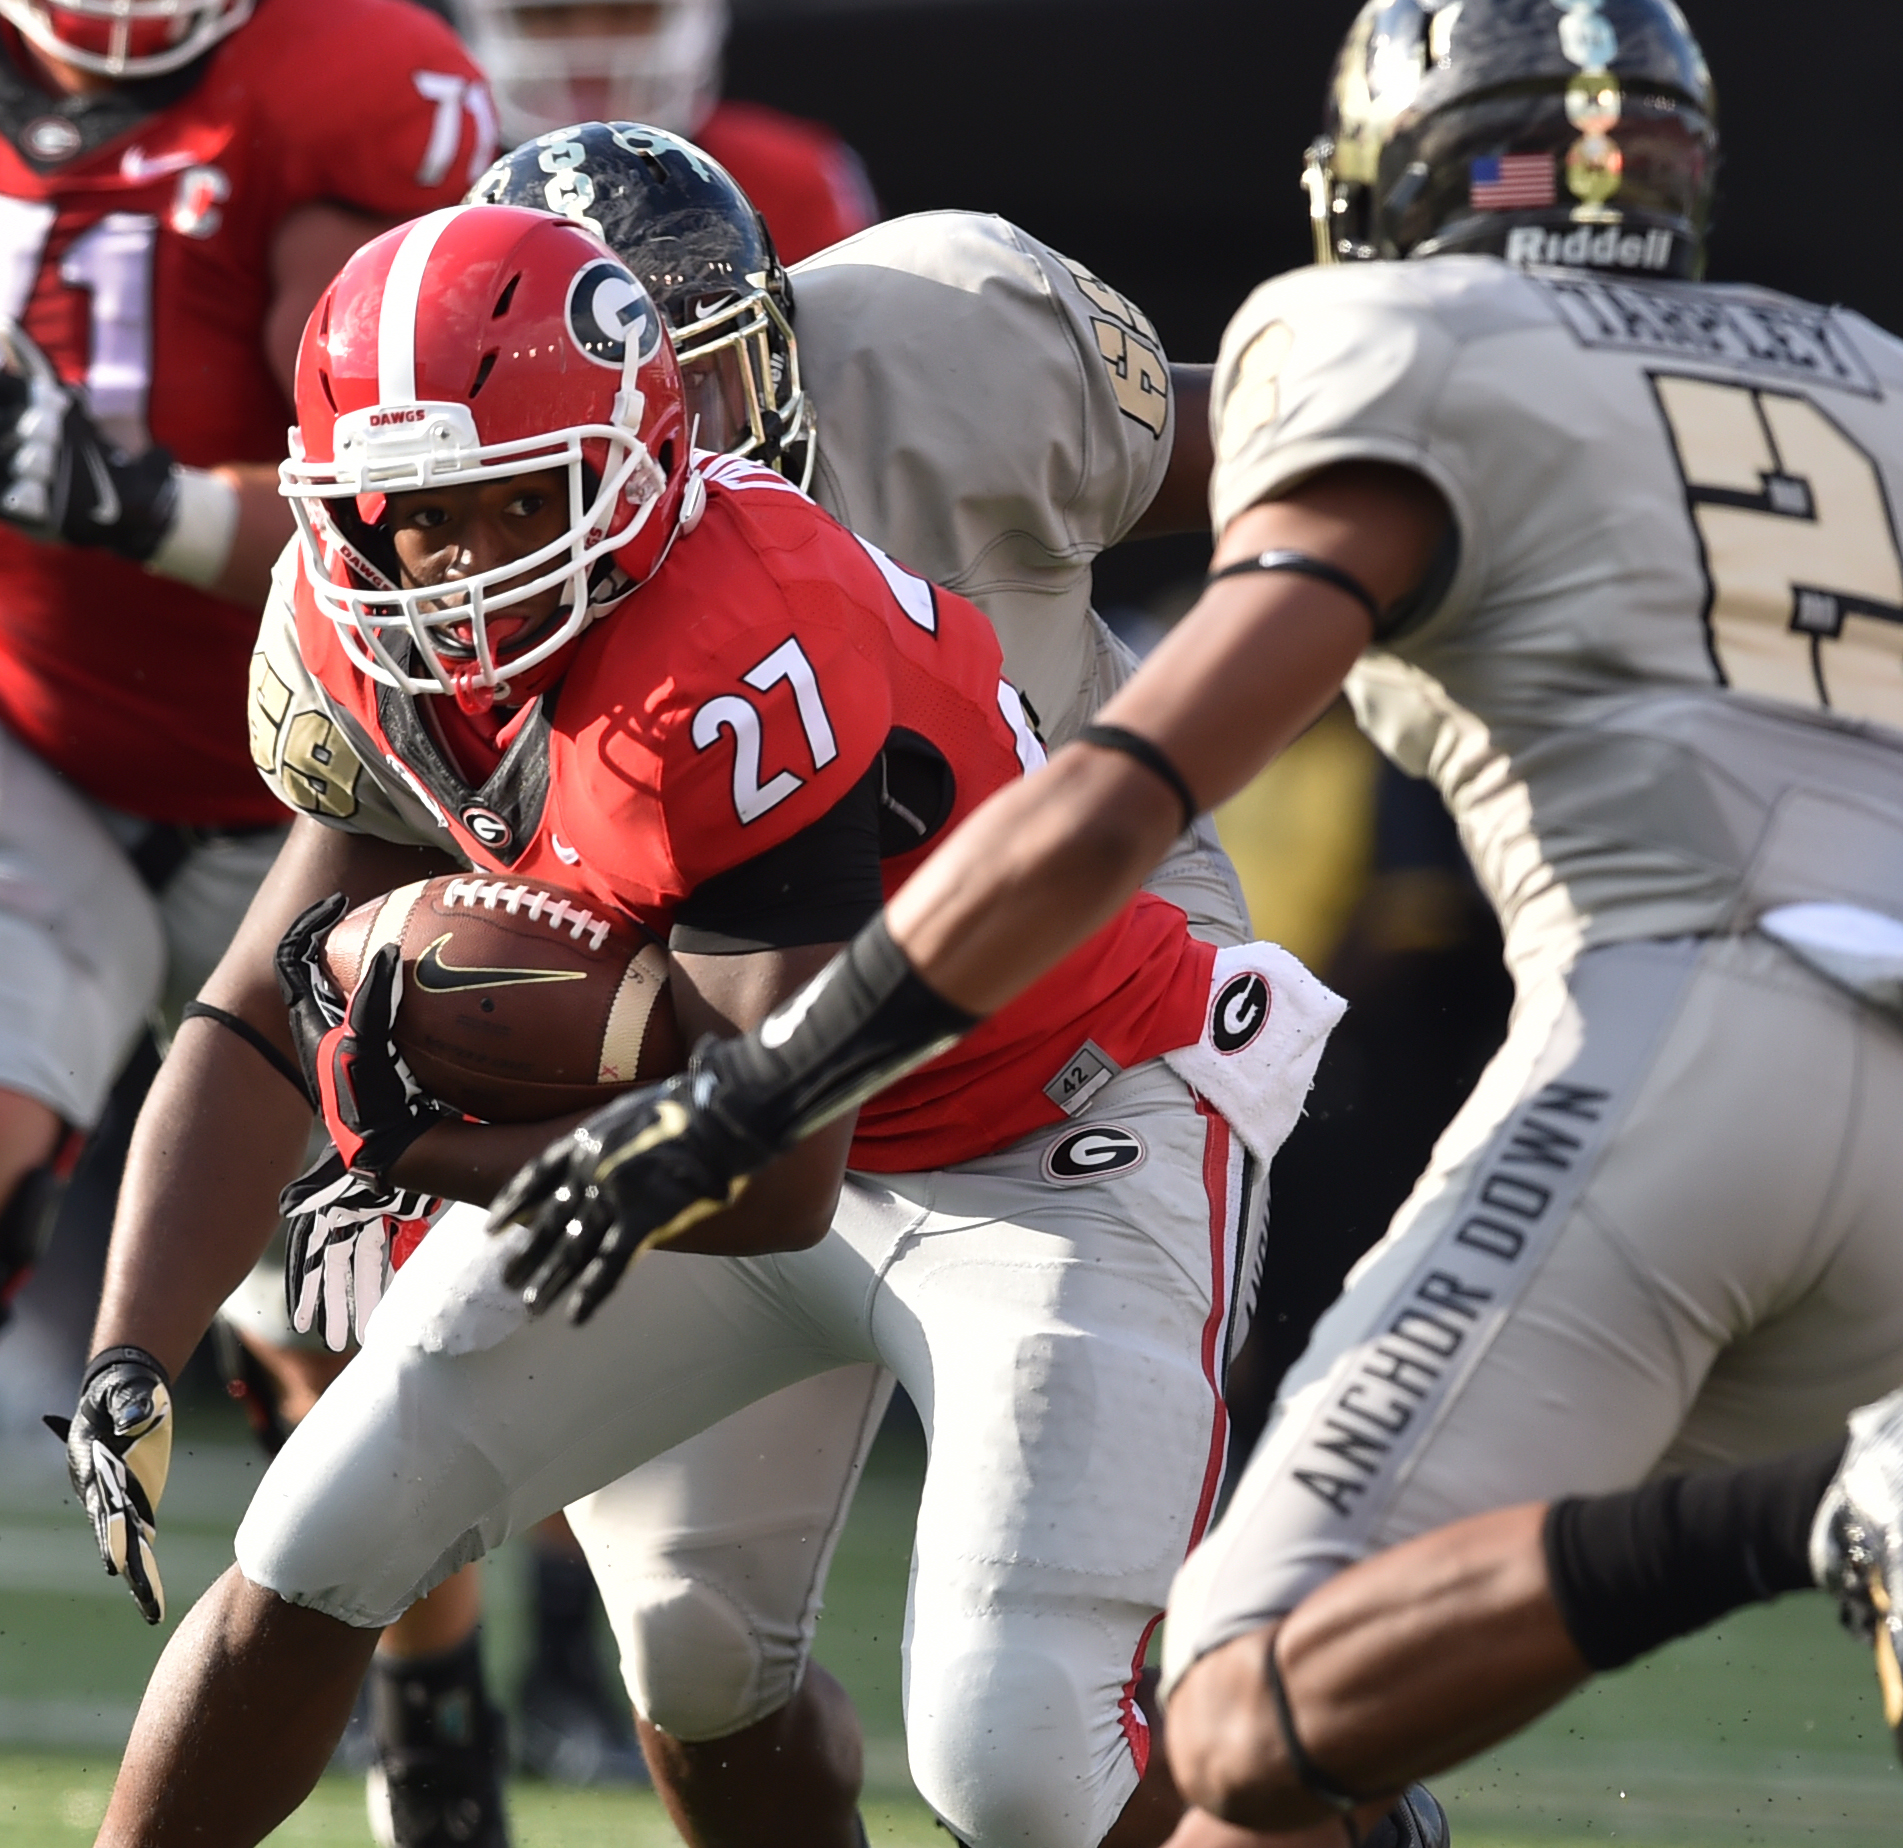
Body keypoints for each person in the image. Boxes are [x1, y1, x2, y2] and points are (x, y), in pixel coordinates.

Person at [480, 0, 1903, 1837]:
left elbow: (1118, 794)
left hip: (1670, 1067)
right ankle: (1826, 1512)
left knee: (1229, 1701)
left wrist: (773, 1081)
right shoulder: (1894, 384)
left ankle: (1823, 1505)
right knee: (1330, 1728)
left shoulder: (1396, 339)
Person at [84, 202, 1362, 1848]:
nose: (457, 566)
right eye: (409, 516)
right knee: (377, 1545)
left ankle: (1358, 1816)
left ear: (629, 458)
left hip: (1050, 1124)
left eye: (505, 504)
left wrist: (413, 1134)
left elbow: (775, 1167)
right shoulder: (358, 633)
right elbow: (264, 996)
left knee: (1020, 1755)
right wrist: (133, 1334)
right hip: (721, 1123)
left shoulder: (739, 637)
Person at [459, 121, 1265, 1843]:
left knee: (1037, 1723)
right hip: (743, 1045)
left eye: (711, 384)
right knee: (687, 1647)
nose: (664, 453)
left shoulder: (954, 333)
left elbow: (1286, 468)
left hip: (1077, 1007)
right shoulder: (472, 538)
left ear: (781, 338)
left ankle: (1315, 1787)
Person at [0, 0, 491, 1599]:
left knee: (334, 1317)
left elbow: (393, 519)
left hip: (316, 790)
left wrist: (130, 498)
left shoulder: (351, 79)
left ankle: (429, 1730)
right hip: (22, 725)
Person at [453, 0, 875, 257]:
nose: (591, 45)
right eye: (553, 15)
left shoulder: (789, 176)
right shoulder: (436, 183)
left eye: (625, 12)